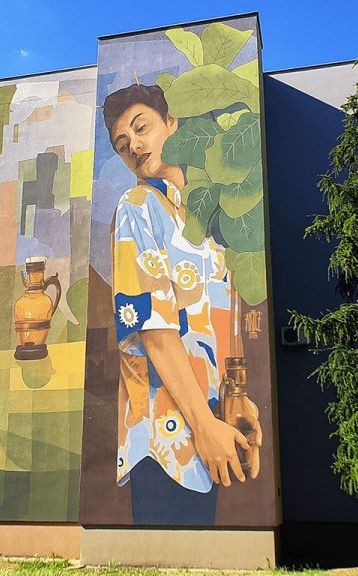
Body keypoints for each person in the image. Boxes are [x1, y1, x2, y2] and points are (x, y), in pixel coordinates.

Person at [103, 84, 260, 525]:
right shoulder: (137, 206)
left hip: (214, 426)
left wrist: (238, 400)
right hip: (166, 438)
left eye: (141, 128)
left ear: (172, 124)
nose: (134, 146)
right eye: (122, 144)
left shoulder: (204, 217)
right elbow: (153, 329)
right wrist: (203, 426)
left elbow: (221, 320)